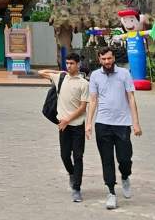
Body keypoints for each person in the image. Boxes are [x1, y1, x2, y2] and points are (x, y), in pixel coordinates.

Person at [85, 48, 142, 210]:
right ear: (99, 59)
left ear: (114, 58)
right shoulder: (95, 76)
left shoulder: (124, 74)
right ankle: (111, 192)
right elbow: (93, 100)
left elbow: (131, 98)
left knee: (125, 158)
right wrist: (88, 123)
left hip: (122, 124)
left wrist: (136, 123)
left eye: (109, 58)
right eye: (103, 59)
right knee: (107, 159)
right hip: (102, 124)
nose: (107, 62)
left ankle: (125, 176)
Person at [38, 53, 89, 202]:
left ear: (78, 64)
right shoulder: (60, 78)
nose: (69, 66)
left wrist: (68, 119)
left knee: (78, 157)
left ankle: (77, 188)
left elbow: (83, 107)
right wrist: (58, 72)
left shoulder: (84, 83)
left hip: (77, 126)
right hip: (63, 126)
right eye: (67, 63)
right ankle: (72, 173)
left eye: (72, 63)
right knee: (65, 156)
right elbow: (40, 72)